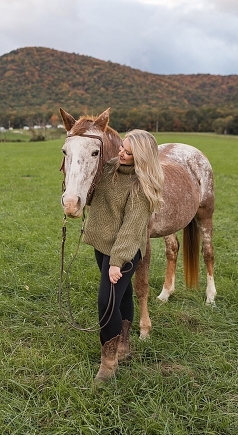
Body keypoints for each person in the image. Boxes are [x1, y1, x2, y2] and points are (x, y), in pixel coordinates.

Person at [81, 129, 163, 385]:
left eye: (128, 153)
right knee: (122, 295)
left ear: (143, 157)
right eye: (122, 149)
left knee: (106, 303)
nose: (121, 154)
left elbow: (131, 229)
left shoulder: (142, 187)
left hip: (123, 252)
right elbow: (94, 197)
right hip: (101, 243)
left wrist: (117, 262)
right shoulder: (109, 167)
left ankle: (108, 363)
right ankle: (124, 346)